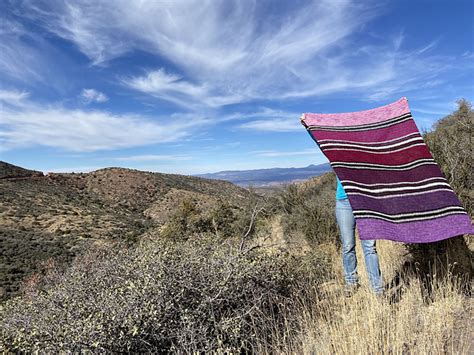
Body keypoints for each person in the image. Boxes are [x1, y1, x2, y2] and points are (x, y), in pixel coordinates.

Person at [335, 175, 384, 298]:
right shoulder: (339, 154)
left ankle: (377, 288)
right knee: (347, 246)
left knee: (370, 247)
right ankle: (351, 282)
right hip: (344, 201)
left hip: (365, 200)